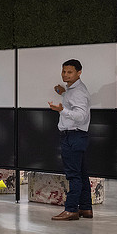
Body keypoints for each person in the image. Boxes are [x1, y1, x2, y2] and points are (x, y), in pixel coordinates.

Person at [48, 59, 92, 221]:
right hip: (76, 136)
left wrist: (62, 110)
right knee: (81, 173)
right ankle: (86, 208)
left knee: (73, 175)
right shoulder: (73, 89)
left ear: (79, 73)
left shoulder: (78, 92)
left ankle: (71, 210)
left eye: (70, 72)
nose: (65, 75)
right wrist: (63, 92)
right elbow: (73, 100)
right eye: (64, 71)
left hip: (73, 136)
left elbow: (81, 116)